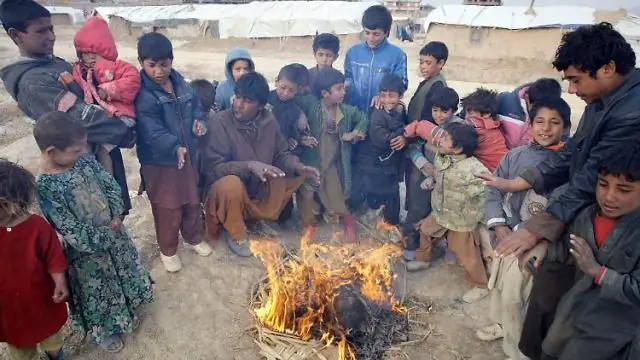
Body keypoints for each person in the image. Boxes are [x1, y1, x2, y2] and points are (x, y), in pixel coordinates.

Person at [475, 22, 639, 360]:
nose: (573, 90)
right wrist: (520, 182)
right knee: (548, 298)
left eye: (577, 79)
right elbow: (572, 153)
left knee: (581, 308)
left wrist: (539, 229)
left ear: (607, 69)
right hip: (582, 216)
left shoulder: (631, 112)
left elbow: (590, 176)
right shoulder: (604, 100)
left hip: (614, 227)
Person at [0, 0, 136, 216]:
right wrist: (129, 131)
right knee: (101, 220)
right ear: (16, 35)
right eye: (41, 31)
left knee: (115, 211)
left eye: (51, 28)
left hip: (100, 150)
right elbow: (82, 120)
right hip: (82, 166)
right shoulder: (34, 83)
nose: (51, 36)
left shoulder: (52, 64)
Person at [35, 111, 154, 353]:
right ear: (51, 152)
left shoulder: (85, 161)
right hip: (88, 256)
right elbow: (68, 227)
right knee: (100, 293)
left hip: (115, 234)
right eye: (76, 151)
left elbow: (109, 184)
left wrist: (116, 214)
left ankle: (128, 309)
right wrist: (101, 237)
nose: (82, 154)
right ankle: (106, 331)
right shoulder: (46, 187)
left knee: (124, 273)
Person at [476, 97, 571, 360]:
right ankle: (501, 325)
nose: (545, 128)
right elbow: (493, 192)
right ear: (529, 125)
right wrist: (499, 226)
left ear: (567, 127)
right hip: (508, 235)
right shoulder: (514, 156)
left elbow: (563, 211)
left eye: (554, 123)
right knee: (498, 286)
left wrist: (541, 241)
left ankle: (517, 349)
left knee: (517, 297)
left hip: (534, 242)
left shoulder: (568, 167)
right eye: (539, 121)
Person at [201, 72, 320, 257]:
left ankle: (254, 218)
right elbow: (213, 170)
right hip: (223, 190)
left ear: (261, 106)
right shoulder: (220, 122)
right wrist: (248, 165)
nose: (238, 104)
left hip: (255, 186)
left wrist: (298, 166)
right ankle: (236, 232)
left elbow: (281, 153)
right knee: (231, 185)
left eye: (247, 101)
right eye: (237, 97)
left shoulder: (268, 120)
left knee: (283, 174)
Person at [540, 143, 640, 360]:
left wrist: (598, 272)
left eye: (624, 190)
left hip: (613, 331)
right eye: (603, 184)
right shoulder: (587, 216)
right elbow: (566, 248)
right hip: (572, 311)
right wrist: (543, 246)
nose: (609, 196)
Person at [135, 32, 212, 273]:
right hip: (161, 162)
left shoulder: (183, 86)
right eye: (152, 65)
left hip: (186, 156)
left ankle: (194, 238)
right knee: (168, 207)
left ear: (171, 60)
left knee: (191, 200)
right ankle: (168, 250)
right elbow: (150, 130)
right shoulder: (143, 95)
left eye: (164, 64)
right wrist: (173, 146)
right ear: (141, 63)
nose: (158, 71)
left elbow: (198, 111)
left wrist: (200, 123)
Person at [404, 122, 490, 286]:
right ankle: (423, 259)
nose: (440, 140)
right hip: (440, 213)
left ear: (457, 149)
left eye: (445, 138)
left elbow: (488, 191)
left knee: (468, 255)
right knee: (425, 230)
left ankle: (479, 283)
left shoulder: (474, 169)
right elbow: (439, 175)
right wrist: (432, 180)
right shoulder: (442, 158)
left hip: (461, 221)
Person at [0, 160, 69, 360]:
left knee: (52, 339)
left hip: (42, 299)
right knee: (20, 348)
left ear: (10, 205)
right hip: (8, 307)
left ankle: (55, 357)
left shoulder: (37, 227)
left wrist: (59, 281)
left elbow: (53, 257)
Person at [295, 68, 369, 242]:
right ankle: (309, 224)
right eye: (339, 89)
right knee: (307, 194)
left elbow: (364, 118)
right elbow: (291, 103)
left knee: (337, 197)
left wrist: (354, 133)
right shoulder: (311, 105)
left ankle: (348, 221)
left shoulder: (346, 111)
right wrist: (299, 117)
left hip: (333, 164)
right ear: (325, 93)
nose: (344, 92)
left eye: (344, 88)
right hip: (311, 161)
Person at [72, 15, 140, 175]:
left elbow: (133, 80)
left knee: (102, 151)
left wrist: (108, 90)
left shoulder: (117, 67)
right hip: (100, 115)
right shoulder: (78, 70)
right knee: (86, 148)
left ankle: (108, 181)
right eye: (85, 54)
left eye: (95, 53)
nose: (90, 58)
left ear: (105, 50)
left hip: (121, 116)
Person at [401, 41, 449, 253]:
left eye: (428, 62)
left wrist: (412, 141)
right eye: (421, 62)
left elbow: (430, 122)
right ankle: (414, 239)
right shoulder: (428, 82)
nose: (423, 66)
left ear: (441, 63)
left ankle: (414, 244)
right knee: (414, 191)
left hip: (425, 149)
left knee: (420, 194)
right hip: (417, 145)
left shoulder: (438, 86)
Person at [353, 74, 406, 240]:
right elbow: (382, 141)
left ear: (400, 96)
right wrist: (406, 133)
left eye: (392, 96)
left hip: (386, 165)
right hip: (375, 164)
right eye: (383, 95)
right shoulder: (376, 114)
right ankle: (384, 223)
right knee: (380, 193)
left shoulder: (399, 109)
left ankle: (389, 223)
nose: (387, 99)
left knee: (389, 194)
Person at [344, 5, 407, 112]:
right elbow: (348, 77)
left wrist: (383, 96)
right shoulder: (353, 52)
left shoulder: (397, 55)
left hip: (381, 114)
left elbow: (401, 84)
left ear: (386, 32)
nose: (371, 38)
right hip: (354, 112)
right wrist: (346, 85)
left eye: (376, 34)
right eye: (367, 33)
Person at [497, 78, 562, 148]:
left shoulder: (556, 113)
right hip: (499, 153)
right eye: (537, 108)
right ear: (527, 98)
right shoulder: (504, 100)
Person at [461, 88, 509, 172]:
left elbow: (449, 137)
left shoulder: (476, 127)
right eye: (466, 112)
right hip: (505, 169)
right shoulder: (493, 125)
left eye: (470, 113)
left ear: (487, 114)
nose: (467, 116)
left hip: (493, 174)